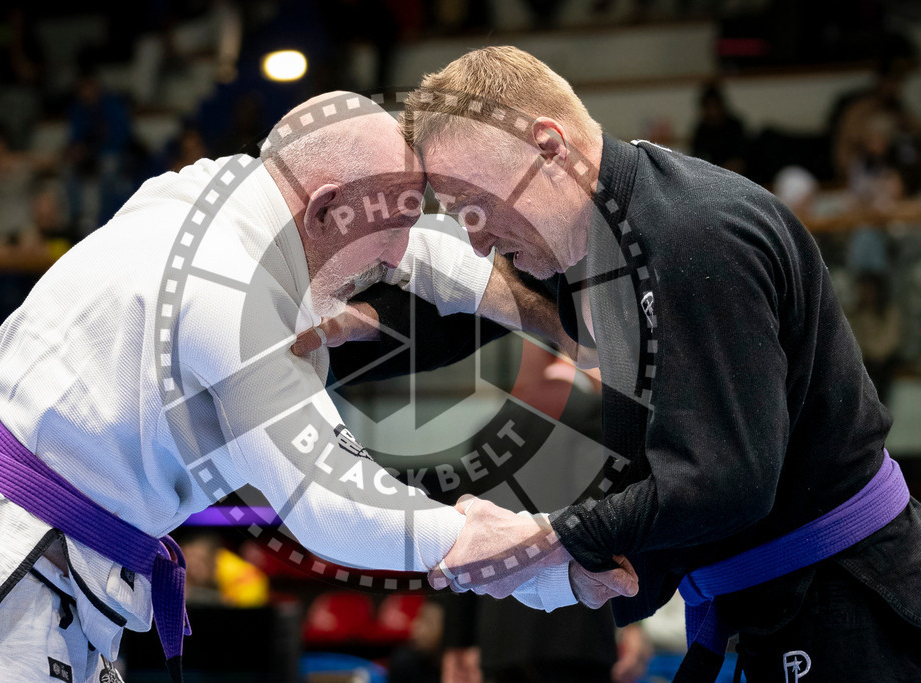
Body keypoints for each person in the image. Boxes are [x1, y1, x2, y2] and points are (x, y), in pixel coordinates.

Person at [0, 91, 635, 683]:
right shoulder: (230, 288)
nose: (398, 255)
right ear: (324, 210)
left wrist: (553, 318)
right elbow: (337, 506)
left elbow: (415, 250)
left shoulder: (214, 190)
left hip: (39, 573)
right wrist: (543, 557)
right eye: (393, 228)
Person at [308, 47, 921, 681]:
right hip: (762, 601)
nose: (479, 239)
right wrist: (337, 332)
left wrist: (549, 537)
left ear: (548, 148)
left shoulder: (691, 235)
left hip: (845, 596)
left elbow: (726, 481)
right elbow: (461, 314)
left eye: (476, 207)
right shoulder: (587, 243)